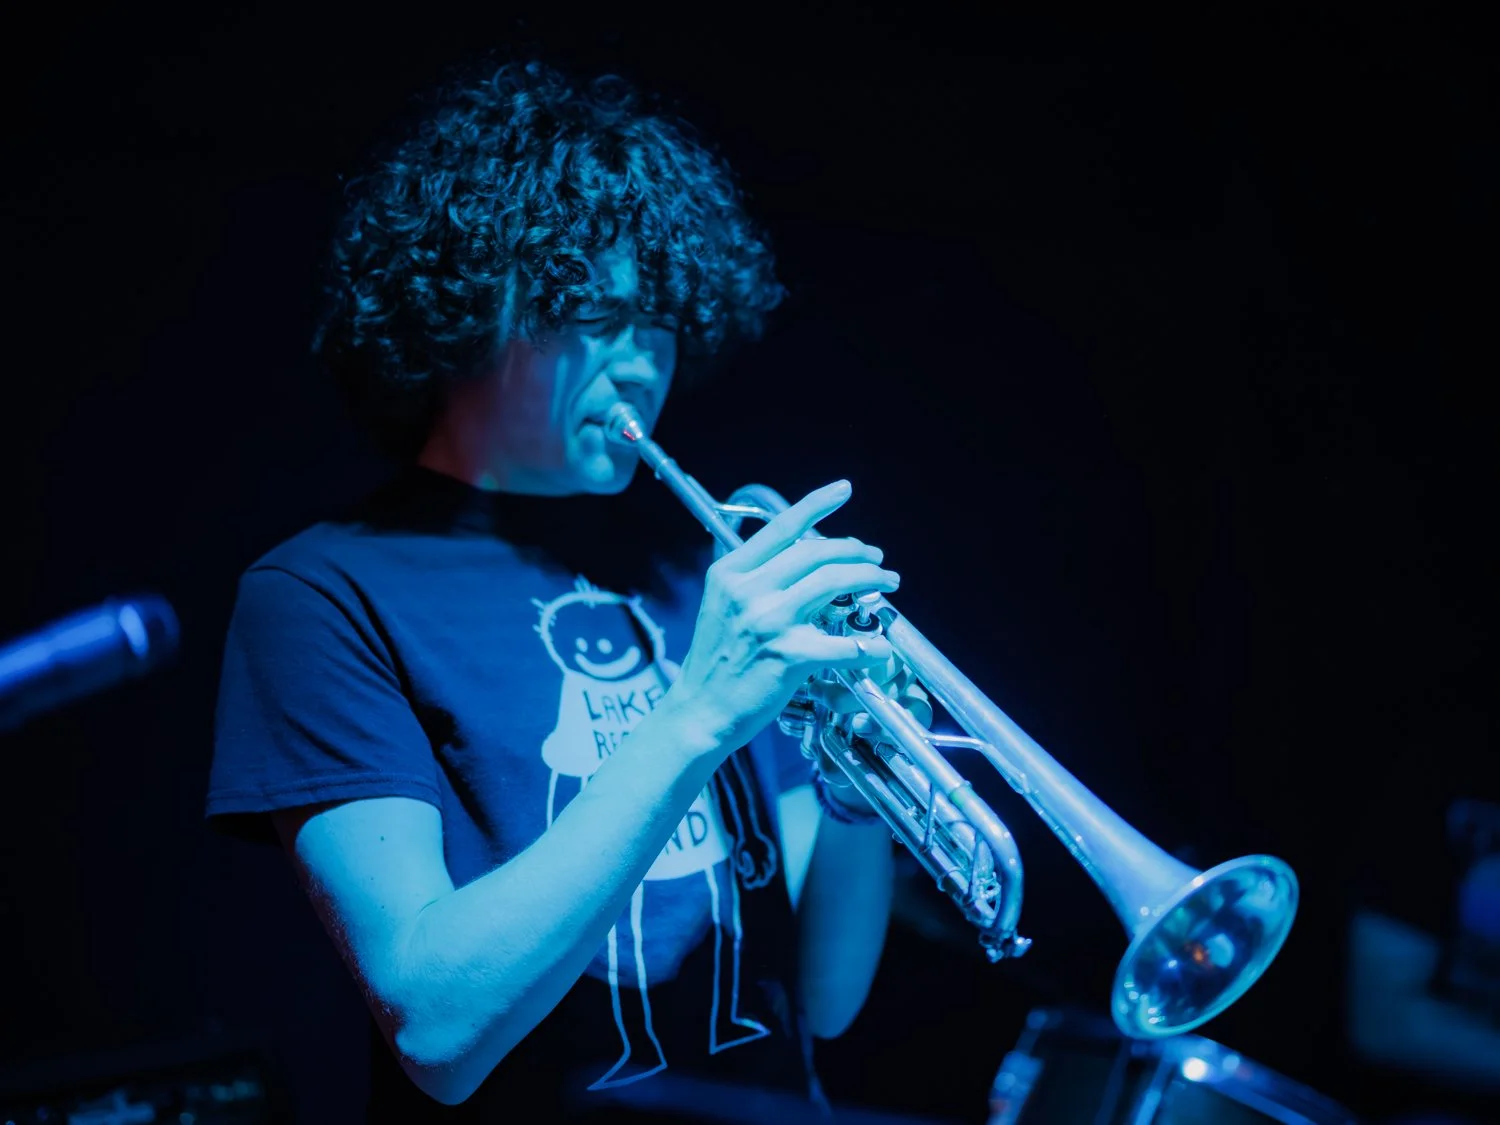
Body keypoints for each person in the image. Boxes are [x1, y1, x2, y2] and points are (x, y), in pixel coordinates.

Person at [206, 59, 926, 1121]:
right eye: (595, 315)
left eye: (659, 319)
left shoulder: (706, 562)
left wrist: (862, 790)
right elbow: (437, 1030)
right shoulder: (321, 593)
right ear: (465, 305)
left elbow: (824, 1004)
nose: (640, 363)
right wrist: (696, 713)